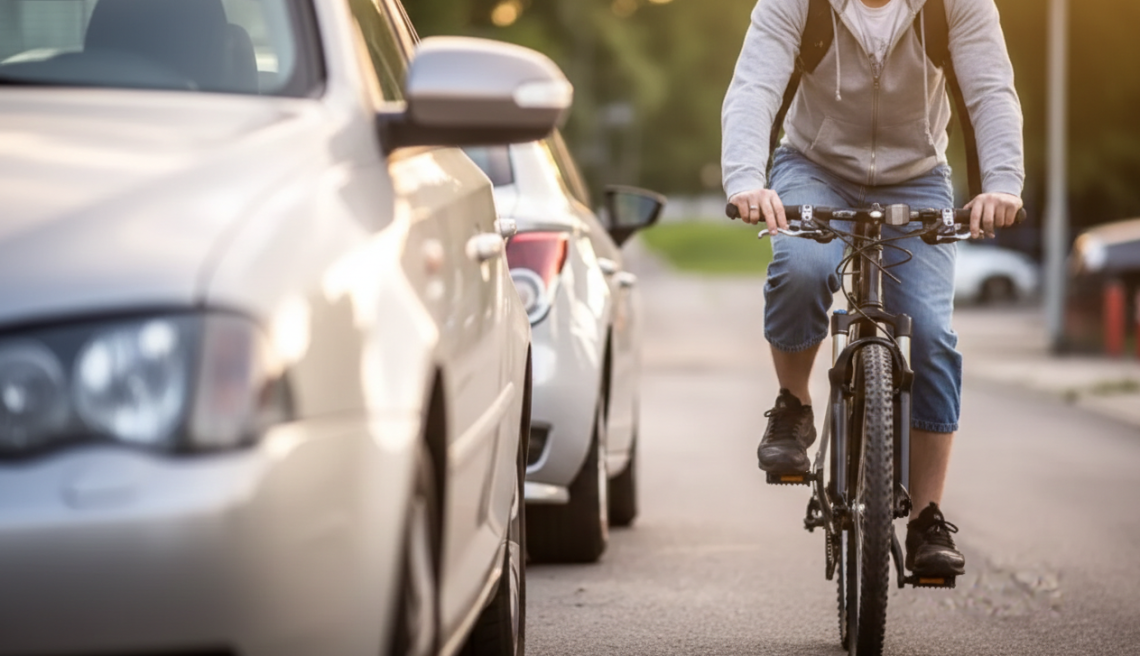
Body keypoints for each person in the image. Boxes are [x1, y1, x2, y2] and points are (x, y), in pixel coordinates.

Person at [721, 0, 1024, 577]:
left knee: (931, 334)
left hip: (918, 178)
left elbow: (991, 92)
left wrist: (1002, 184)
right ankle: (793, 405)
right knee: (802, 265)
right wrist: (744, 179)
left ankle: (928, 516)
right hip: (813, 166)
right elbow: (754, 87)